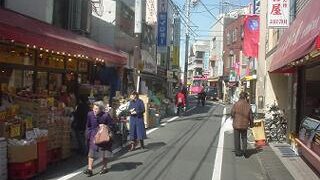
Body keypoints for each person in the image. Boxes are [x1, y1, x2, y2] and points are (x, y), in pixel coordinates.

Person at [83, 101, 113, 177]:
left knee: (104, 152)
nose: (94, 110)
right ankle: (90, 169)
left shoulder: (106, 115)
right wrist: (88, 134)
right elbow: (88, 125)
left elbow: (111, 125)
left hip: (103, 136)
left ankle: (105, 167)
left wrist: (105, 126)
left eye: (96, 109)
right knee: (91, 153)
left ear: (101, 109)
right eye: (94, 108)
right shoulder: (90, 114)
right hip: (93, 135)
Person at [231, 92, 254, 157]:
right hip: (245, 124)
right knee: (244, 138)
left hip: (236, 124)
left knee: (236, 138)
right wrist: (252, 123)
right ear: (245, 97)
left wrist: (234, 117)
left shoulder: (236, 104)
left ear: (240, 97)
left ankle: (238, 152)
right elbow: (251, 116)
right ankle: (245, 151)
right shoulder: (248, 105)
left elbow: (232, 113)